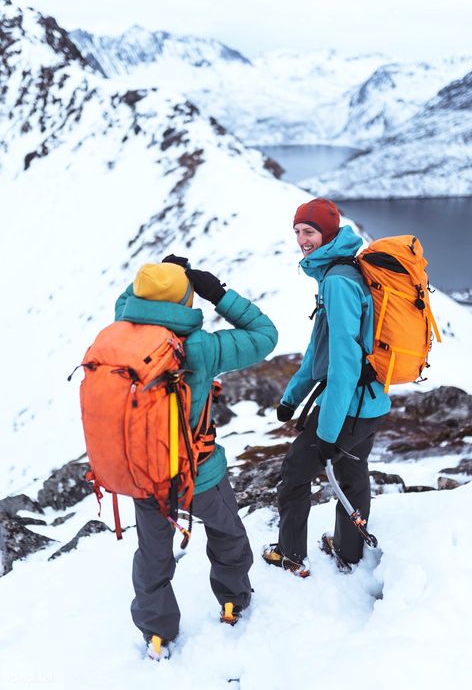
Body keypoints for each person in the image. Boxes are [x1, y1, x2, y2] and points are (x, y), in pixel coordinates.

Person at [115, 259, 278, 658]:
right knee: (228, 537)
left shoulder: (121, 338)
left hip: (145, 477)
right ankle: (232, 601)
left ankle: (156, 633)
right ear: (185, 301)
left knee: (153, 554)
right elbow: (265, 335)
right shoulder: (200, 348)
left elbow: (125, 304)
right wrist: (217, 293)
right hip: (200, 474)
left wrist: (158, 279)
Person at [262, 198, 391, 577]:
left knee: (296, 472)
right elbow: (319, 350)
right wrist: (292, 399)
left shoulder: (337, 282)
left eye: (310, 231)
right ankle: (349, 552)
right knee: (352, 474)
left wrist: (329, 431)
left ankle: (290, 553)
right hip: (371, 403)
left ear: (328, 233)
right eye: (298, 231)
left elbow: (344, 363)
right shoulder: (343, 270)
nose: (302, 239)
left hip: (348, 407)